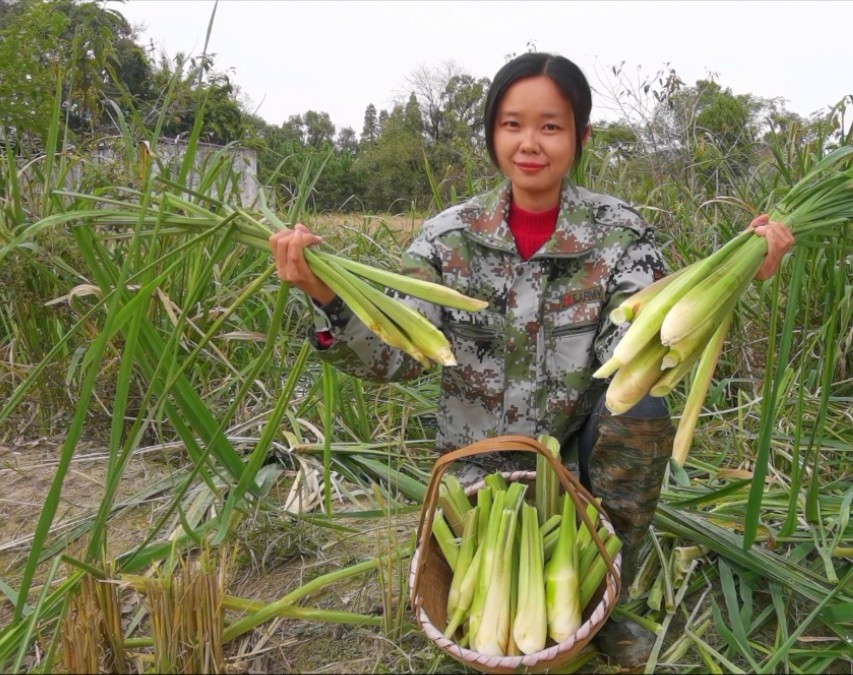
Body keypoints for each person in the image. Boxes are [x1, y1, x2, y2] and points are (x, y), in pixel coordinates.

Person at [270, 52, 794, 668]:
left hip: (578, 474)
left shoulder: (619, 234)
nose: (530, 143)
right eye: (512, 124)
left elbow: (636, 352)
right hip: (475, 477)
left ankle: (607, 591)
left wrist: (732, 278)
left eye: (551, 125)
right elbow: (398, 359)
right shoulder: (447, 237)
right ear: (492, 132)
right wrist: (323, 292)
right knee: (475, 589)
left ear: (580, 136)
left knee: (643, 405)